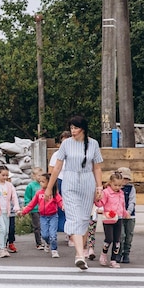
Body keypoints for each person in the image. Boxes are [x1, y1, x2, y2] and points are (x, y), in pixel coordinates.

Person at [45, 115, 103, 270]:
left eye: (76, 128)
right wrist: (50, 188)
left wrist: (99, 187)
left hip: (87, 182)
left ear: (83, 128)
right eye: (71, 128)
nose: (73, 131)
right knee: (73, 218)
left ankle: (81, 252)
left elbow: (97, 167)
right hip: (70, 181)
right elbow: (57, 168)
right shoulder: (66, 145)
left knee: (84, 219)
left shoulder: (93, 144)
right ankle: (79, 255)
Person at [21, 173, 64, 258]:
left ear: (49, 182)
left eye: (43, 181)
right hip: (43, 217)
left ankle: (54, 249)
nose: (40, 183)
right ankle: (47, 243)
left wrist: (62, 206)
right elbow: (31, 204)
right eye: (40, 181)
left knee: (53, 235)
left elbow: (60, 201)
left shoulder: (54, 193)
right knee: (44, 235)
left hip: (53, 216)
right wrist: (23, 212)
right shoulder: (38, 193)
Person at [94, 171, 129, 268]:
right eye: (115, 185)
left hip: (119, 218)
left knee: (117, 240)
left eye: (119, 185)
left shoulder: (121, 193)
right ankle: (103, 254)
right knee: (109, 238)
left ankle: (114, 259)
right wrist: (97, 199)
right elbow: (101, 203)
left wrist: (125, 212)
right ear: (110, 183)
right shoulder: (106, 192)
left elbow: (122, 204)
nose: (117, 187)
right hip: (108, 218)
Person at [49, 131, 72, 245]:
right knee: (59, 206)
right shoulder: (56, 154)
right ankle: (56, 230)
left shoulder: (74, 154)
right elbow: (51, 170)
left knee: (70, 207)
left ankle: (70, 232)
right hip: (59, 180)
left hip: (71, 181)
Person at [0, 165, 21, 258]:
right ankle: (1, 249)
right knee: (3, 229)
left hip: (7, 211)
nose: (5, 177)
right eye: (3, 175)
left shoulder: (9, 185)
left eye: (6, 175)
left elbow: (14, 197)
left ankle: (4, 247)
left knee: (7, 231)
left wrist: (16, 208)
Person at [117, 167, 136, 264]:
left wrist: (128, 211)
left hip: (130, 215)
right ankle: (118, 253)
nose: (125, 181)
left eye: (127, 179)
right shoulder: (115, 188)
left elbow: (132, 201)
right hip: (119, 215)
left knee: (129, 235)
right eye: (123, 178)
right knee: (121, 235)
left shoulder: (131, 188)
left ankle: (126, 254)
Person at [24, 167, 45, 249]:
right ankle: (39, 242)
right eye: (38, 175)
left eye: (41, 175)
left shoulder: (44, 185)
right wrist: (27, 206)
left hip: (44, 209)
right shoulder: (31, 186)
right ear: (34, 176)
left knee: (44, 225)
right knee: (37, 226)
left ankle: (45, 241)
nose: (40, 177)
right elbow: (27, 197)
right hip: (35, 209)